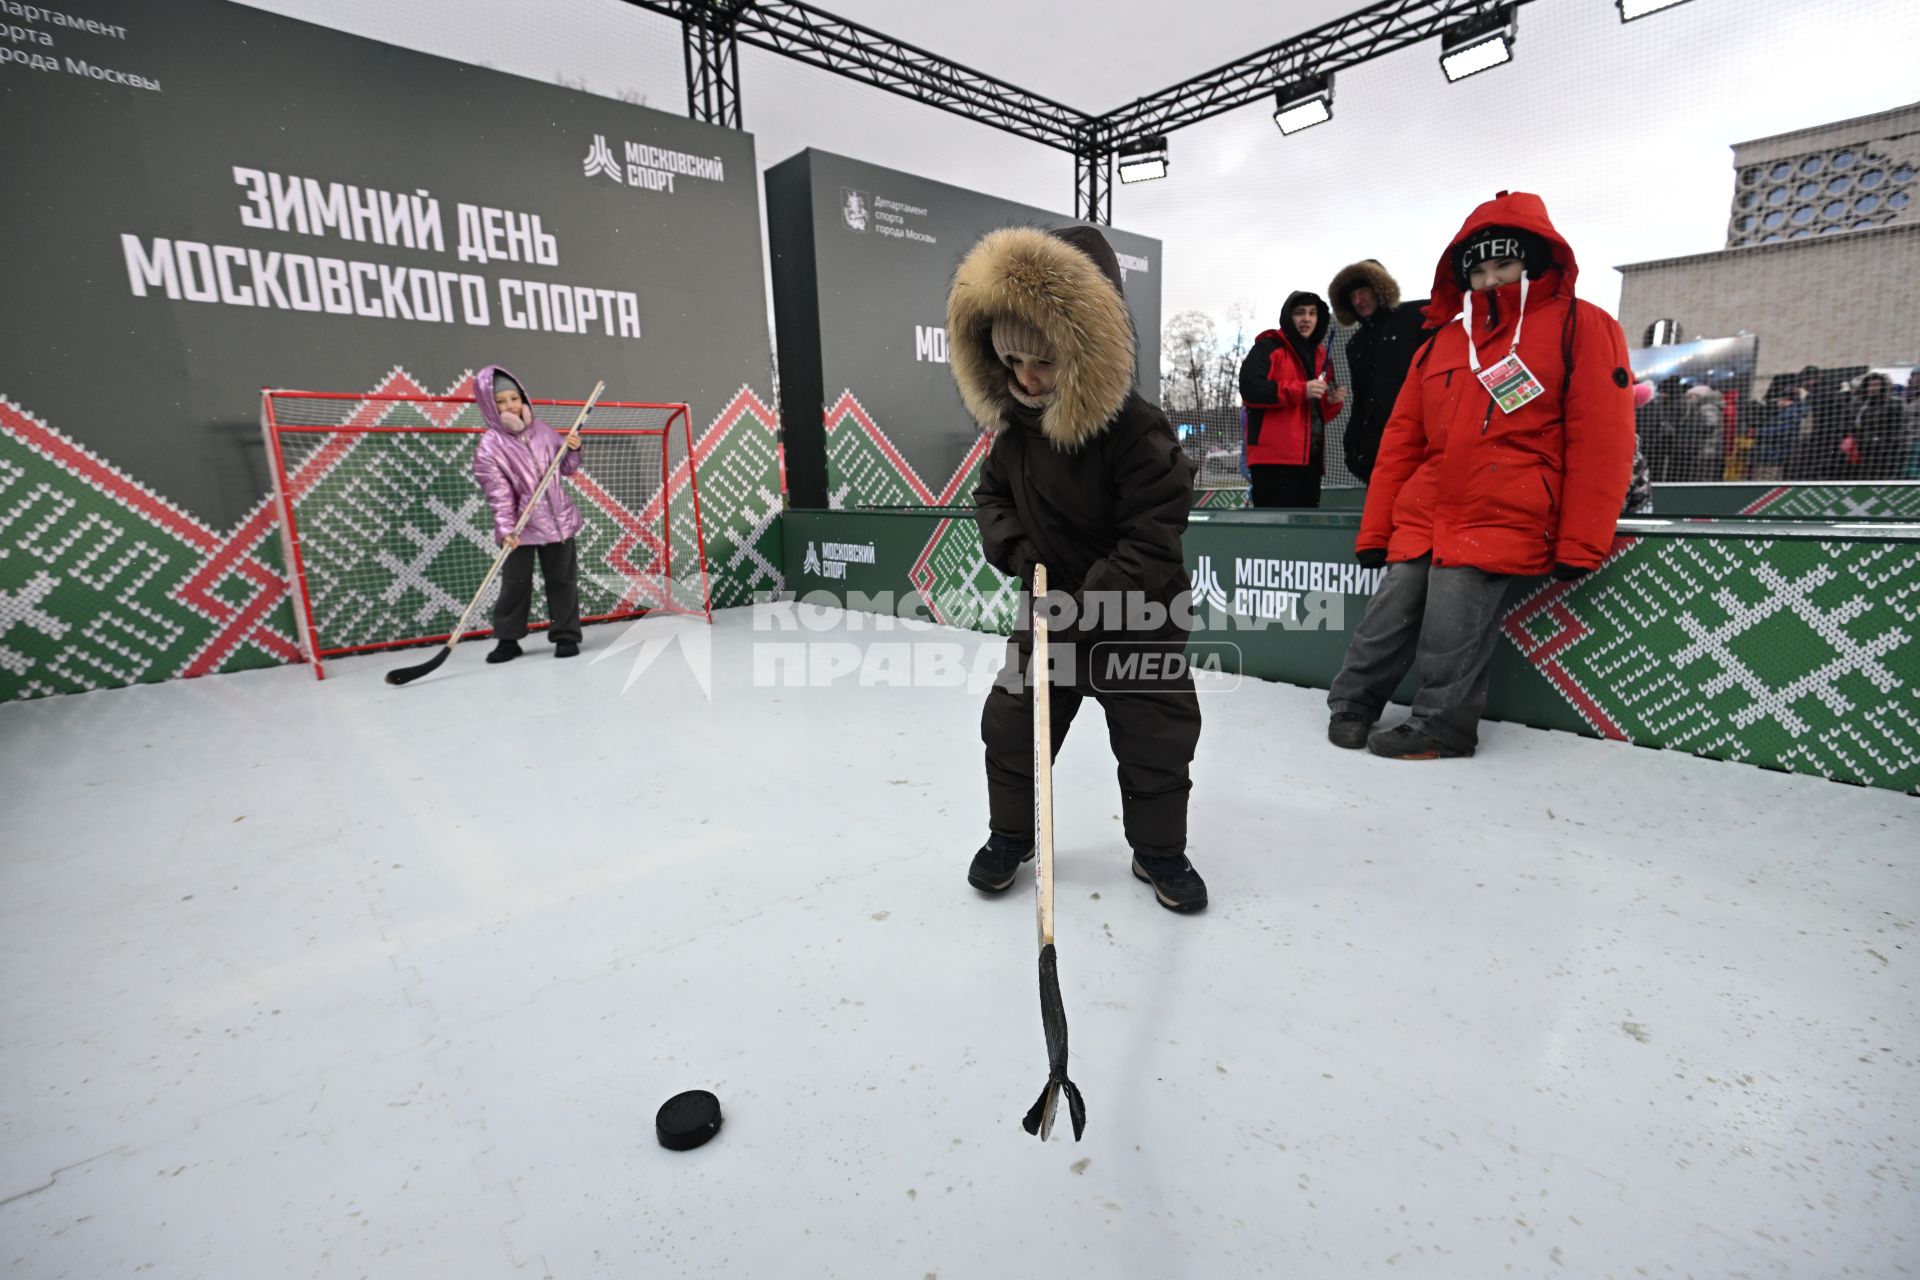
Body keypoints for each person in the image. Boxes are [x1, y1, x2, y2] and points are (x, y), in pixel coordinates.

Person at [950, 225, 1207, 913]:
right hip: (1050, 617)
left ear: (1086, 350)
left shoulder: (1137, 432)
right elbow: (991, 498)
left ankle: (1158, 851)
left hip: (1139, 620)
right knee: (1010, 727)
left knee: (1156, 738)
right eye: (1012, 362)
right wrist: (1014, 547)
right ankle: (1013, 836)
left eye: (1044, 360)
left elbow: (1152, 538)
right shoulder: (1014, 437)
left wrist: (1081, 605)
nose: (1027, 379)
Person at [1324, 191, 1634, 759]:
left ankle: (1444, 725)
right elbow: (1401, 442)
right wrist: (1376, 531)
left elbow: (1603, 440)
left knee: (1454, 614)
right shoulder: (1443, 341)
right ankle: (1353, 702)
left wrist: (1582, 539)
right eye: (1481, 269)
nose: (1491, 280)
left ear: (1534, 264)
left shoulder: (1582, 326)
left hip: (1505, 508)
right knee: (1389, 609)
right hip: (1428, 509)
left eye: (1505, 266)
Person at [472, 365, 585, 663]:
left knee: (562, 581)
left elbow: (567, 469)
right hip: (520, 527)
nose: (510, 405)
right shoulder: (489, 447)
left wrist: (573, 450)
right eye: (502, 401)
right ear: (489, 405)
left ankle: (566, 635)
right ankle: (508, 640)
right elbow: (498, 493)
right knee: (515, 583)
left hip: (558, 521)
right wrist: (507, 529)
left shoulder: (544, 431)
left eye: (514, 398)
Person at [1327, 259, 1431, 483]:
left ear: (1380, 289)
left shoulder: (1418, 315)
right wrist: (1352, 442)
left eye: (1363, 291)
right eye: (1352, 296)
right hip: (1380, 442)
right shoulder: (1356, 343)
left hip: (1422, 434)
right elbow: (1362, 398)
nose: (1358, 300)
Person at [1238, 292, 1344, 507]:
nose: (1307, 318)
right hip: (1273, 461)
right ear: (1288, 316)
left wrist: (1332, 402)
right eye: (1300, 313)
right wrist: (1301, 391)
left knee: (1304, 531)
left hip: (1311, 460)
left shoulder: (1321, 355)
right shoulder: (1269, 347)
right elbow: (1250, 388)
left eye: (1312, 313)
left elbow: (1318, 411)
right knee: (1274, 531)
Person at [1844, 372, 1908, 478]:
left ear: (1883, 386)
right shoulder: (1861, 405)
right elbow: (1854, 426)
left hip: (1887, 452)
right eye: (1871, 385)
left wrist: (1885, 442)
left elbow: (1899, 427)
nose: (1873, 388)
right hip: (1865, 450)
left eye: (1876, 385)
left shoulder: (1894, 404)